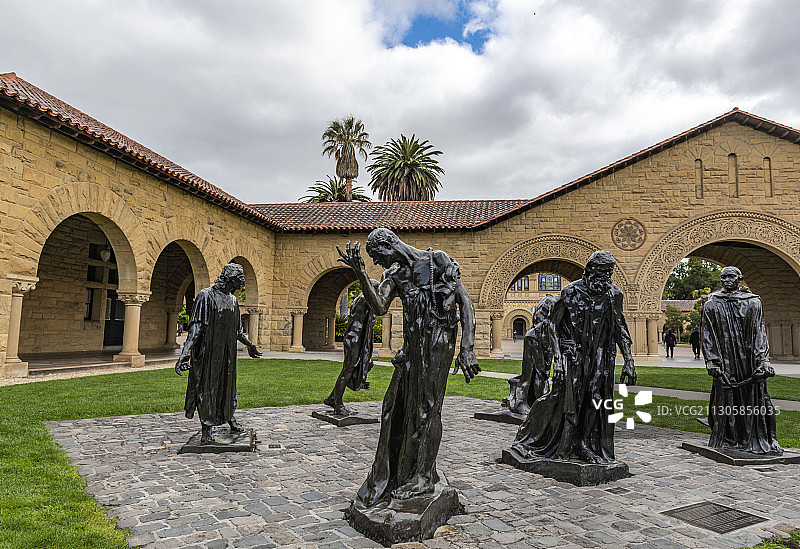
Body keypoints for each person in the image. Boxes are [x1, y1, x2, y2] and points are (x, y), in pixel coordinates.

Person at [337, 228, 480, 505]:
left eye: (378, 256)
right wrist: (360, 273)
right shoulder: (394, 275)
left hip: (438, 343)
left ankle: (424, 476)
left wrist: (467, 348)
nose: (378, 263)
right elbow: (379, 306)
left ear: (390, 244)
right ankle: (398, 472)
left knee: (427, 408)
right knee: (393, 407)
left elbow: (465, 302)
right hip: (412, 348)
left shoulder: (436, 260)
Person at [510, 250, 636, 465]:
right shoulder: (571, 292)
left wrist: (629, 361)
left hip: (600, 356)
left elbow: (620, 328)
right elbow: (552, 325)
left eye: (609, 272)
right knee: (568, 399)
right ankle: (555, 443)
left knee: (596, 401)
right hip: (572, 355)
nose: (605, 277)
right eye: (601, 272)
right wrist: (558, 359)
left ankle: (584, 444)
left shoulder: (613, 294)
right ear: (589, 271)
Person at [175, 263, 262, 443]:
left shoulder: (233, 300)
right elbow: (196, 328)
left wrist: (250, 345)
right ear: (231, 279)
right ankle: (207, 429)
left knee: (228, 387)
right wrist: (186, 353)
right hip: (208, 353)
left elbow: (237, 331)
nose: (243, 283)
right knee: (208, 388)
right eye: (241, 279)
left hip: (228, 353)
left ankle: (229, 417)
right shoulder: (206, 296)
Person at [701, 266, 782, 455]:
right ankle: (729, 439)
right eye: (723, 277)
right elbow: (707, 334)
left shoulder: (753, 302)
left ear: (739, 279)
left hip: (749, 362)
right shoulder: (712, 303)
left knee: (761, 401)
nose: (727, 280)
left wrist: (763, 360)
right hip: (725, 360)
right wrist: (712, 362)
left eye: (731, 277)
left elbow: (759, 332)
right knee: (727, 402)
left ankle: (766, 439)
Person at [324, 282, 378, 416]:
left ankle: (332, 398)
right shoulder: (363, 298)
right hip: (355, 339)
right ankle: (338, 405)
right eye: (376, 289)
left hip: (356, 338)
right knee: (348, 371)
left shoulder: (361, 297)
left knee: (355, 368)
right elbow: (379, 307)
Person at [504, 295, 557, 416]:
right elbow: (539, 365)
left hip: (541, 367)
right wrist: (544, 370)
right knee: (536, 378)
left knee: (541, 379)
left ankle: (541, 406)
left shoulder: (548, 331)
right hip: (534, 367)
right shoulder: (533, 335)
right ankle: (529, 405)